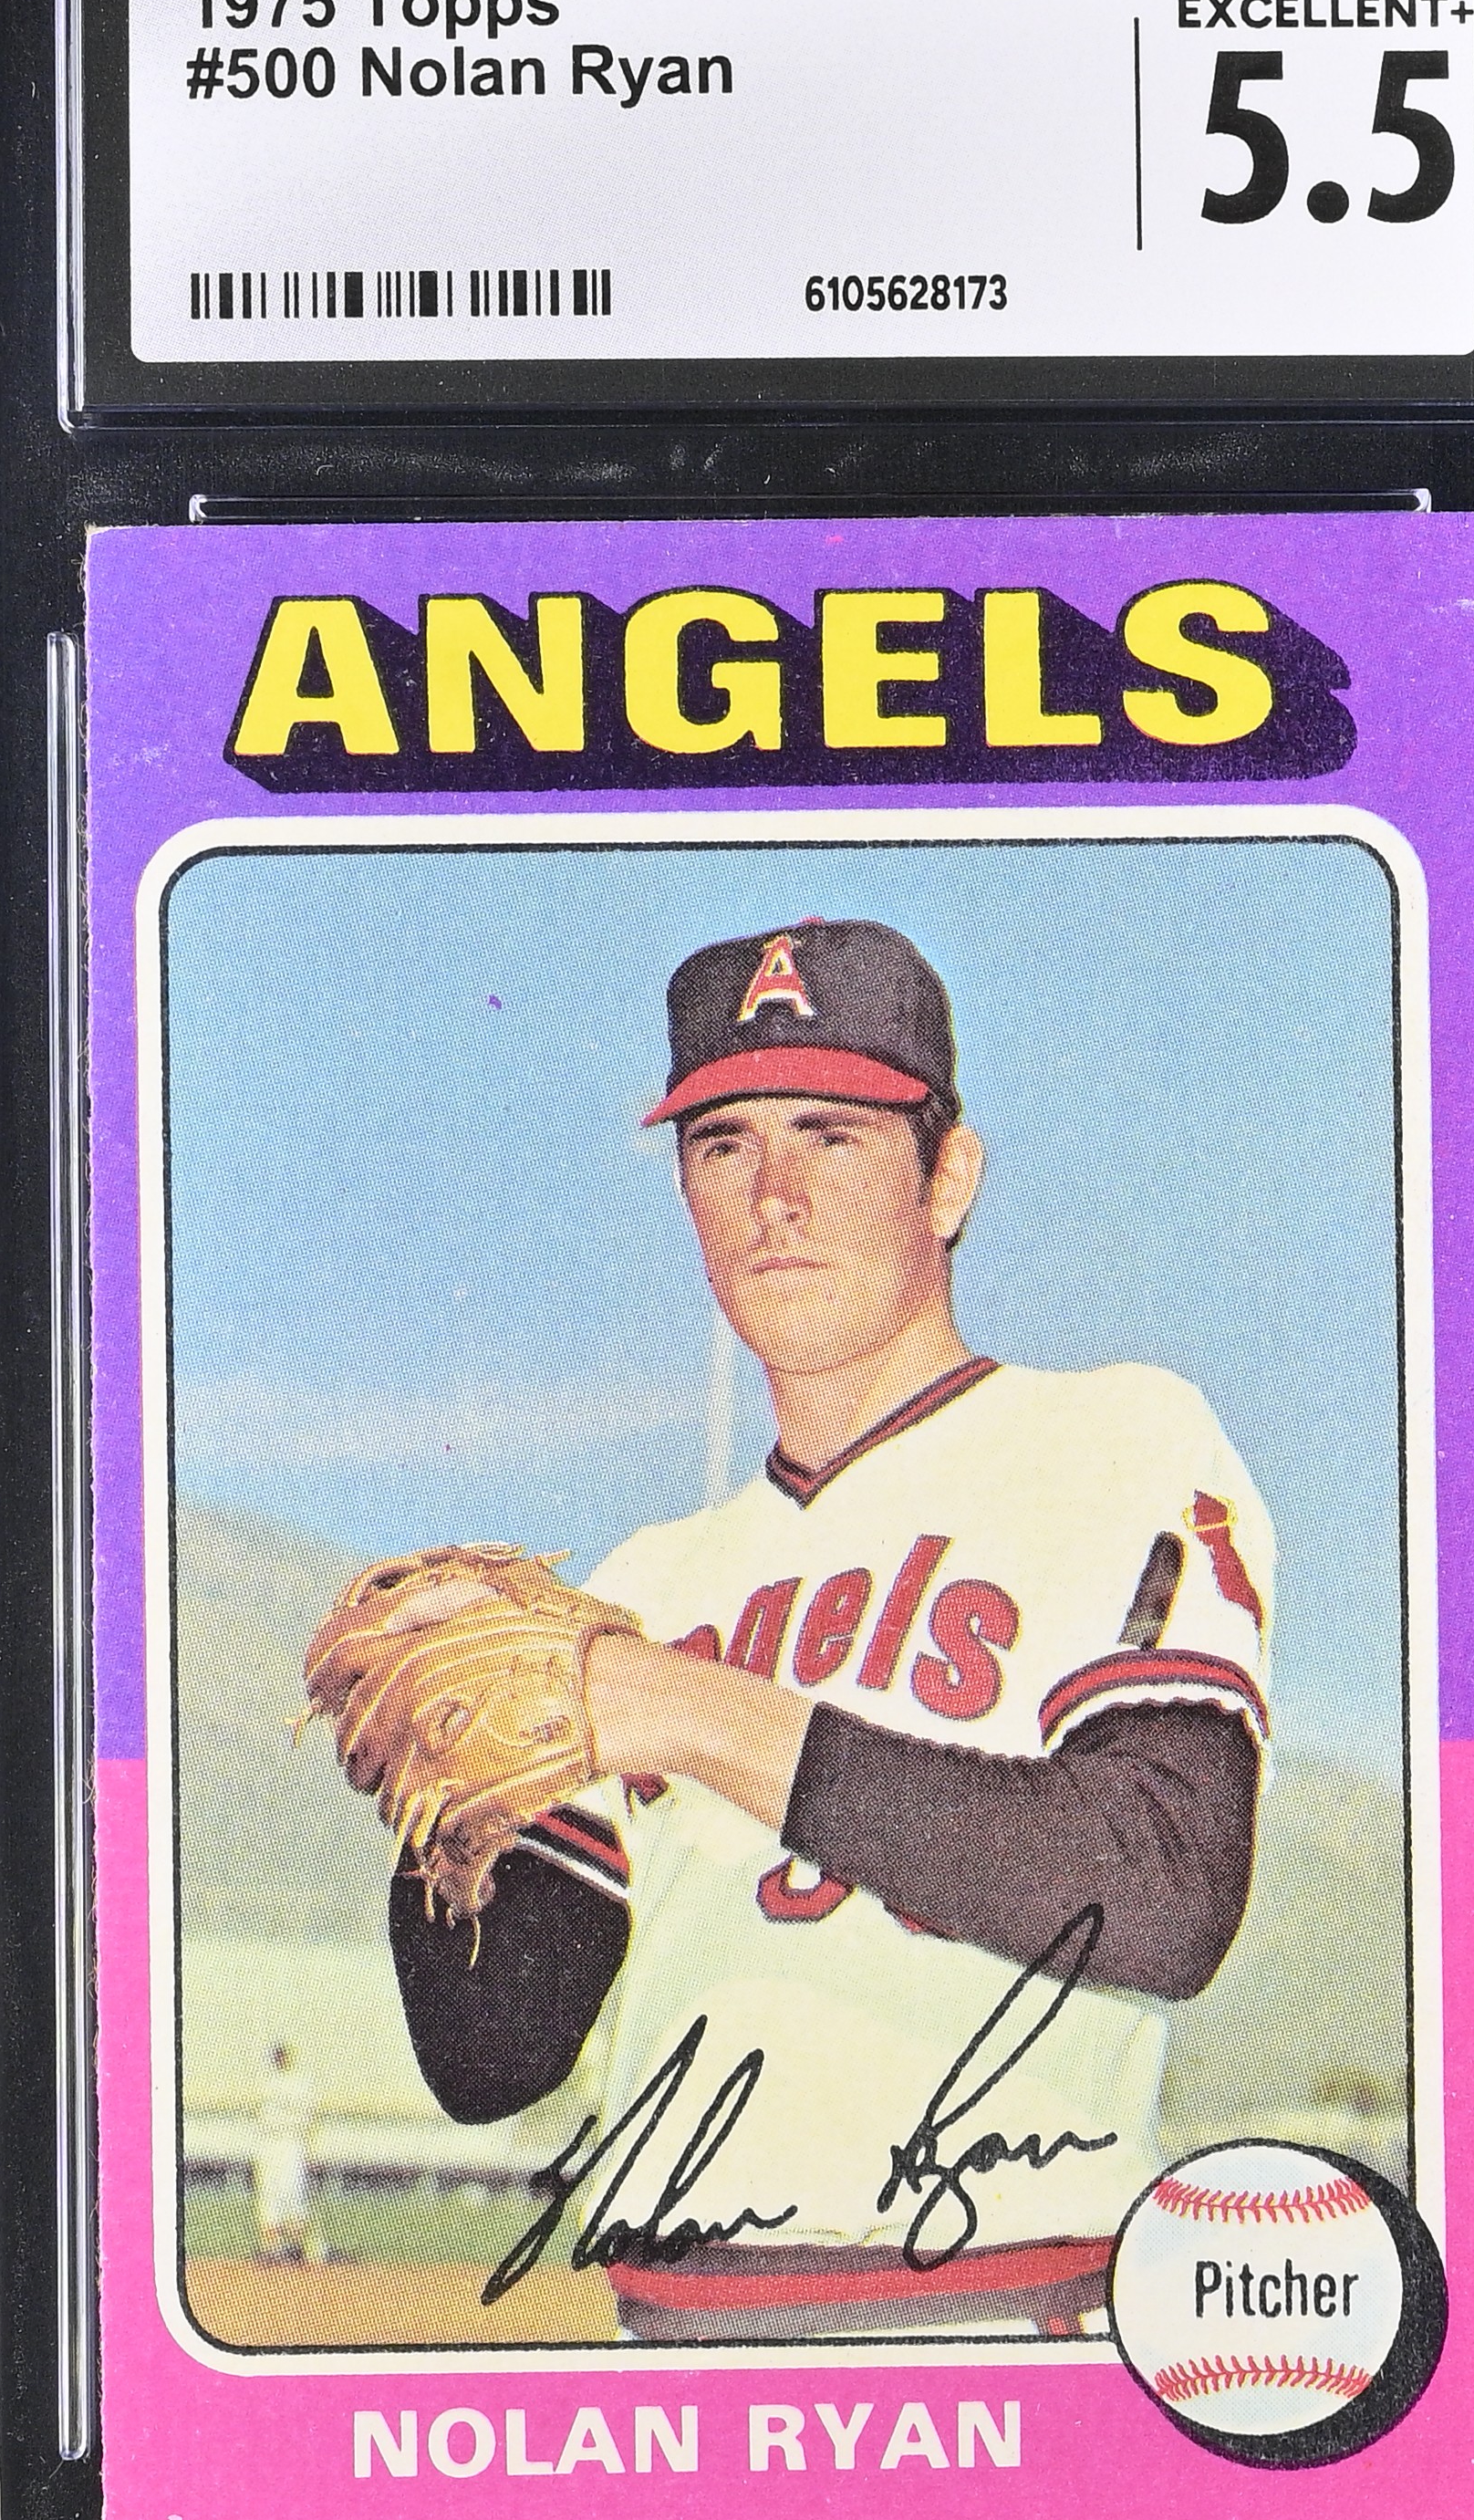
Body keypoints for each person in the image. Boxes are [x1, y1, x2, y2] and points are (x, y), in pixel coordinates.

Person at [385, 918, 1272, 2343]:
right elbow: (494, 2058)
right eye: (722, 1145)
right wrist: (437, 1802)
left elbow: (1162, 1897)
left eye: (833, 1136)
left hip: (1000, 2318)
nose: (774, 1198)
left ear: (949, 1174)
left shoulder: (1112, 1437)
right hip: (673, 2337)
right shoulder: (645, 1585)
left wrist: (688, 1712)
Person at [252, 2040, 317, 2265]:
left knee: (293, 2192)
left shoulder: (300, 2084)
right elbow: (259, 2114)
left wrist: (310, 2147)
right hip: (268, 2143)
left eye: (281, 2055)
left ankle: (295, 2247)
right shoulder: (266, 2082)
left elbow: (308, 2118)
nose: (279, 2059)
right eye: (276, 2056)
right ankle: (272, 2248)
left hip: (291, 2142)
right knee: (268, 2194)